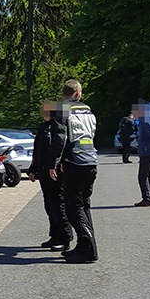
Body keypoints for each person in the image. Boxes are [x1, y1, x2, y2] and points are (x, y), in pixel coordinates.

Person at [48, 79, 98, 263]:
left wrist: (53, 162)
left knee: (73, 207)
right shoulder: (88, 109)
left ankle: (89, 248)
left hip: (74, 162)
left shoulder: (62, 109)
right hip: (90, 159)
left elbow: (60, 138)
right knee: (84, 205)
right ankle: (84, 246)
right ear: (77, 93)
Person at [29, 100, 72, 251]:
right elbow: (38, 150)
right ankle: (55, 235)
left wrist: (54, 165)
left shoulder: (58, 125)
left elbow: (59, 147)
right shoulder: (43, 127)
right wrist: (33, 168)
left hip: (54, 171)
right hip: (43, 170)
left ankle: (65, 237)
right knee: (49, 204)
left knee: (58, 203)